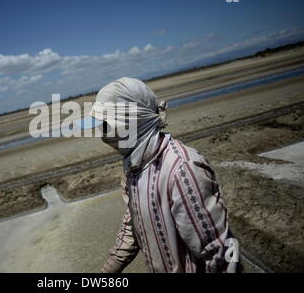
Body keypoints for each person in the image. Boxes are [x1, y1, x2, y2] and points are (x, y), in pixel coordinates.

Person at [86, 77, 241, 273]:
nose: (104, 133)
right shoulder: (135, 167)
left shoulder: (181, 169)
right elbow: (134, 223)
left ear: (133, 121)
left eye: (107, 124)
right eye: (102, 124)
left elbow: (222, 251)